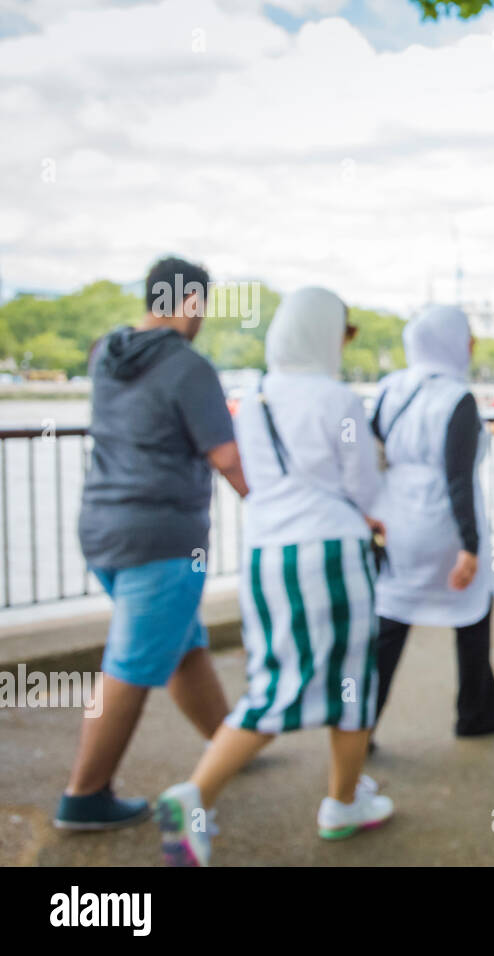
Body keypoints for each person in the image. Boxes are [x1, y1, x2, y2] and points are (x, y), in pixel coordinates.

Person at [155, 287, 392, 866]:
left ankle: (342, 797)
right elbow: (364, 488)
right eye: (342, 330)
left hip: (266, 555)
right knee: (349, 683)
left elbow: (252, 474)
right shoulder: (338, 398)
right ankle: (208, 796)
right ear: (324, 333)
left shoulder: (251, 396)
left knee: (276, 678)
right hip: (331, 551)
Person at [56, 256, 247, 831]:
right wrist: (269, 502)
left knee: (182, 646)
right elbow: (227, 456)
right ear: (191, 304)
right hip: (161, 538)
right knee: (131, 667)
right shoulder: (189, 367)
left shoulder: (104, 354)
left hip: (101, 527)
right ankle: (84, 796)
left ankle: (232, 742)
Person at [369, 305, 494, 742]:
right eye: (467, 336)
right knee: (472, 616)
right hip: (442, 528)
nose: (472, 345)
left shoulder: (390, 388)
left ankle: (359, 730)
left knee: (390, 624)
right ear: (451, 342)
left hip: (396, 525)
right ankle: (476, 713)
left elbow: (370, 453)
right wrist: (469, 546)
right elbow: (458, 480)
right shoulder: (457, 398)